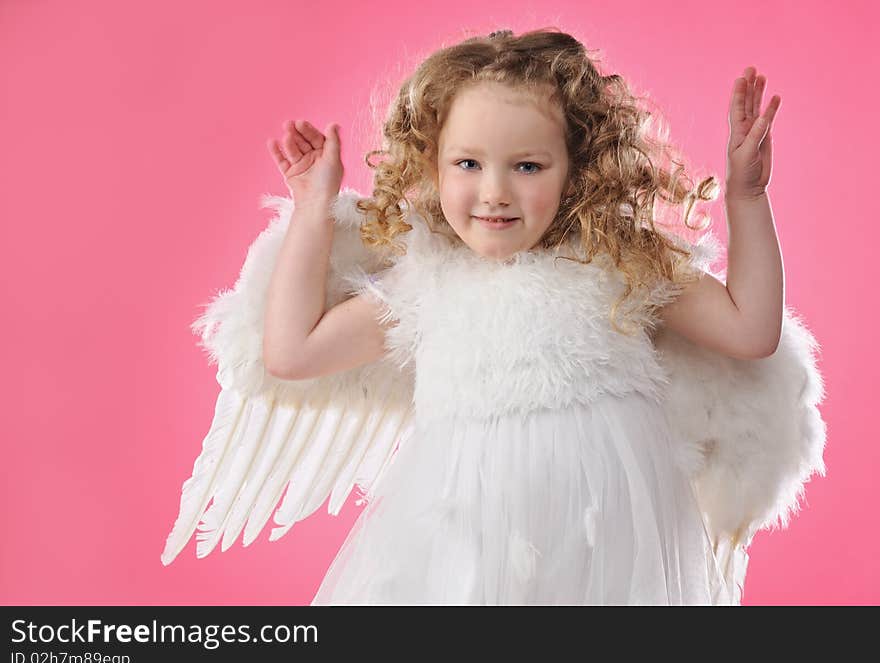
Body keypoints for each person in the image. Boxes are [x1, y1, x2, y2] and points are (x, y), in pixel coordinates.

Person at [161, 28, 826, 605]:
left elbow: (750, 331)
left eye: (529, 165)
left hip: (606, 543)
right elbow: (292, 353)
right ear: (434, 165)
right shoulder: (429, 281)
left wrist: (747, 196)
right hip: (465, 542)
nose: (494, 192)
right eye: (468, 164)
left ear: (577, 171)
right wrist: (311, 210)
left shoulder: (617, 262)